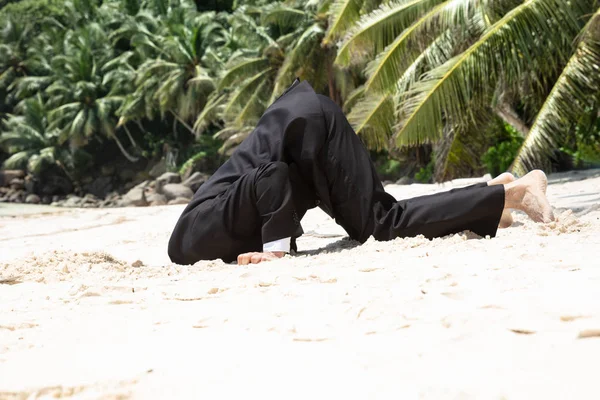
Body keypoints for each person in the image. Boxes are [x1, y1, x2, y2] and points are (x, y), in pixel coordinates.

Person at [168, 79, 553, 266]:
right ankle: (491, 197)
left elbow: (271, 177)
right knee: (377, 224)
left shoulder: (194, 238)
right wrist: (263, 250)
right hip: (301, 127)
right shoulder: (204, 233)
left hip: (307, 130)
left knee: (380, 224)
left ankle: (515, 193)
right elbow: (263, 202)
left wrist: (275, 252)